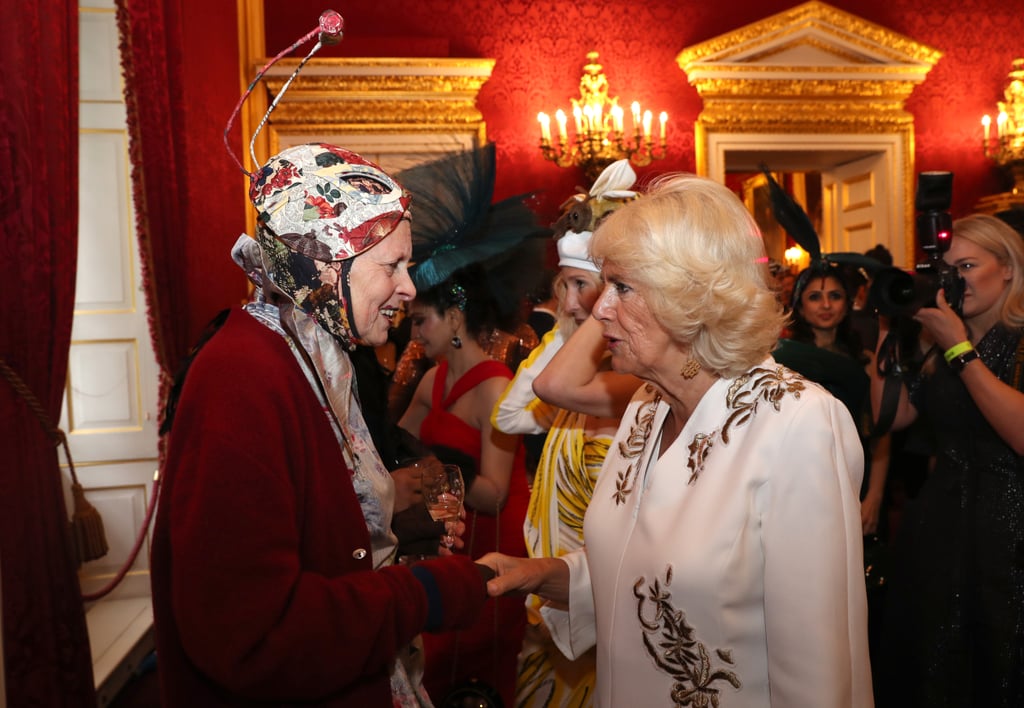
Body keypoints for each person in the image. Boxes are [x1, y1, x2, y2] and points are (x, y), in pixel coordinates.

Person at [479, 173, 873, 707]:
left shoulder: (796, 422)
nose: (599, 309)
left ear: (689, 297)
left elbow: (818, 668)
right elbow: (647, 579)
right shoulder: (647, 406)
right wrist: (547, 573)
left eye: (621, 286)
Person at [151, 143, 491, 707]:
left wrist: (398, 535)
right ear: (326, 263)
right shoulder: (242, 377)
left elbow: (305, 534)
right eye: (392, 265)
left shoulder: (305, 353)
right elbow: (250, 635)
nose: (409, 287)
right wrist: (422, 593)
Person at [491, 159, 640, 708]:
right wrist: (568, 326)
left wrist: (588, 317)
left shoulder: (629, 379)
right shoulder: (578, 371)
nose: (570, 300)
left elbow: (550, 386)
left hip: (608, 607)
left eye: (582, 284)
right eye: (566, 285)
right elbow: (511, 415)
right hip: (556, 596)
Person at [870, 213, 1024, 707]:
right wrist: (889, 327)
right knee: (935, 660)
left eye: (969, 265)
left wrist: (958, 347)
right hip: (940, 525)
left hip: (1012, 529)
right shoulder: (942, 344)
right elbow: (889, 417)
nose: (954, 280)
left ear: (1008, 269)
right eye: (947, 269)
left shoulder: (1015, 342)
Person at [398, 262, 531, 707]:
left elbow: (494, 496)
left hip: (492, 539)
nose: (413, 332)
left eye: (420, 320)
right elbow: (397, 446)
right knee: (437, 665)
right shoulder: (434, 379)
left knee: (479, 672)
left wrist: (438, 462)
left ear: (454, 317)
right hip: (449, 537)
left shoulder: (497, 386)